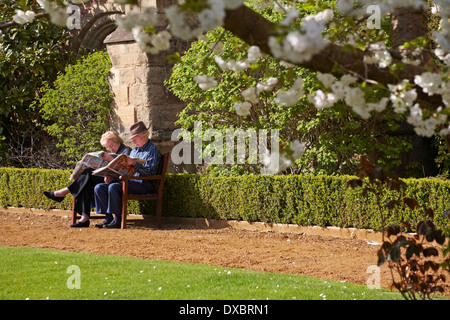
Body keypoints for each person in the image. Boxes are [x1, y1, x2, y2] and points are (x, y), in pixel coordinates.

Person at [43, 131, 132, 228]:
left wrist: (110, 160)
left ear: (117, 141)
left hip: (120, 180)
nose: (111, 148)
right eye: (108, 147)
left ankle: (65, 192)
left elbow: (125, 169)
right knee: (86, 183)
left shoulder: (126, 150)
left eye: (112, 145)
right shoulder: (112, 152)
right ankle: (85, 218)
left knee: (88, 173)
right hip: (109, 179)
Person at [94, 121, 161, 229]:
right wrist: (111, 173)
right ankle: (108, 218)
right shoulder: (134, 150)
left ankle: (118, 219)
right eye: (132, 139)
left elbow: (150, 172)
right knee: (100, 187)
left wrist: (134, 163)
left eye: (135, 138)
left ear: (144, 135)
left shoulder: (152, 150)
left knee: (114, 187)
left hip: (144, 184)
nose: (133, 141)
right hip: (131, 181)